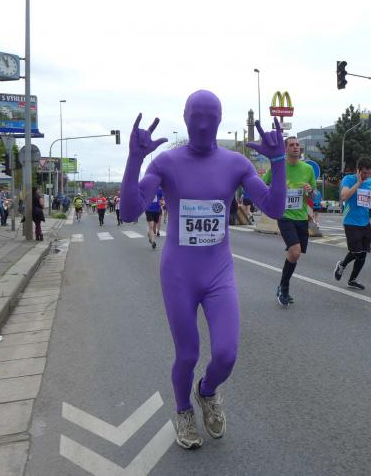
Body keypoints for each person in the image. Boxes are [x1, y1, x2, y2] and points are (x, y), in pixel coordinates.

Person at [120, 90, 285, 450]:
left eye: (212, 118)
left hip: (218, 273)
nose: (204, 125)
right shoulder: (166, 163)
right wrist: (135, 159)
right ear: (185, 118)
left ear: (220, 120)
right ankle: (183, 411)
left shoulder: (236, 164)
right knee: (188, 354)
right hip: (178, 274)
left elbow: (274, 208)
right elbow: (129, 212)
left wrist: (278, 161)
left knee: (226, 353)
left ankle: (207, 391)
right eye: (197, 117)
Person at [263, 136, 316, 306]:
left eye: (297, 145)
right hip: (284, 216)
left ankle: (282, 286)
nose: (295, 147)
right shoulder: (278, 167)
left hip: (301, 217)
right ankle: (284, 289)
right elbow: (262, 186)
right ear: (285, 149)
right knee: (295, 251)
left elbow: (314, 195)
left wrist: (310, 190)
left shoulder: (308, 169)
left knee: (294, 255)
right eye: (291, 145)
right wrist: (276, 189)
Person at [333, 156, 371, 290]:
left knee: (363, 254)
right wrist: (358, 183)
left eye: (369, 173)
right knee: (357, 251)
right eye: (364, 173)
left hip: (365, 222)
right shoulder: (348, 179)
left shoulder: (370, 182)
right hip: (351, 221)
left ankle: (352, 280)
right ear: (358, 170)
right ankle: (342, 265)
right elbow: (344, 196)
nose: (366, 176)